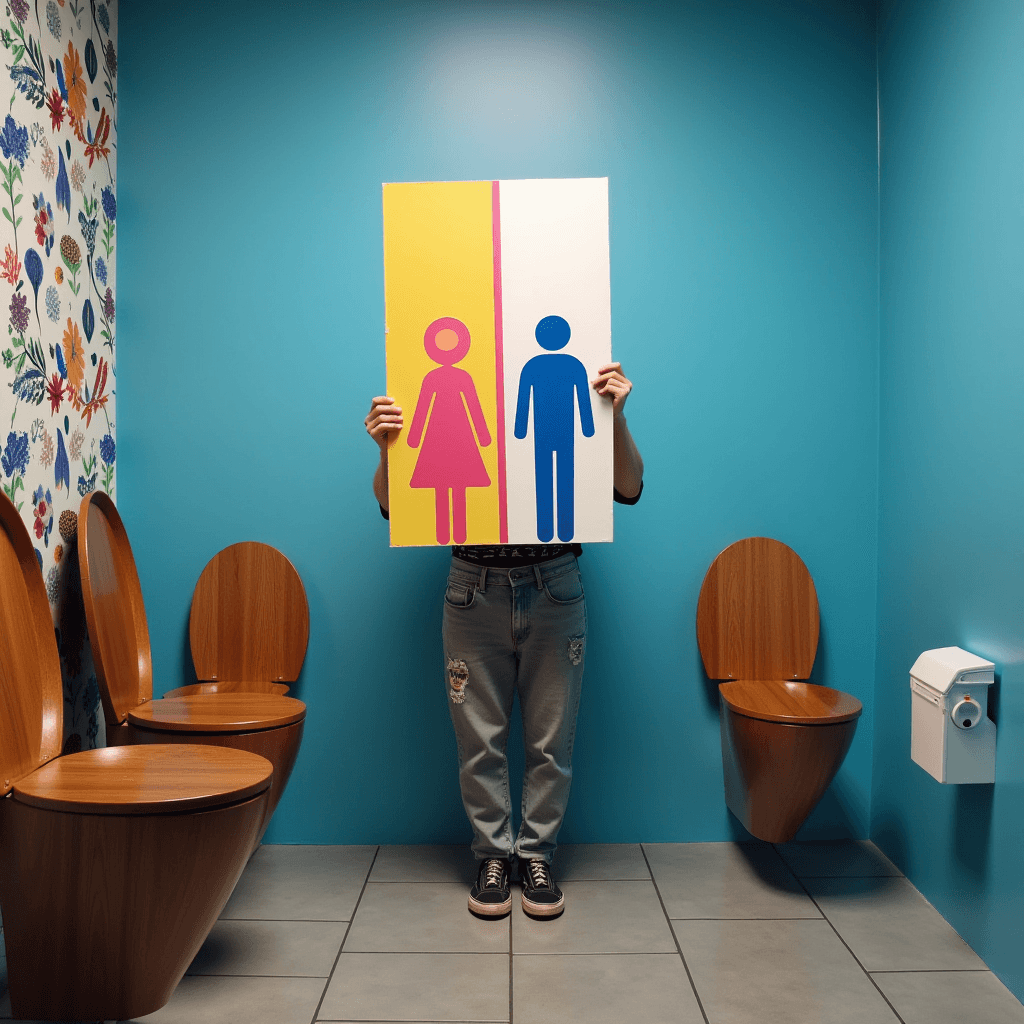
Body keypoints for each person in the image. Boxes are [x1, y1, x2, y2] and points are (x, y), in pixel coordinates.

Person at [365, 359, 643, 919]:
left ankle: (535, 854)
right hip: (473, 589)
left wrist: (615, 415)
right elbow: (393, 506)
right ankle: (494, 855)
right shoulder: (449, 378)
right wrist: (386, 446)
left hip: (555, 585)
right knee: (479, 742)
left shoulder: (569, 376)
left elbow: (629, 487)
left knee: (551, 741)